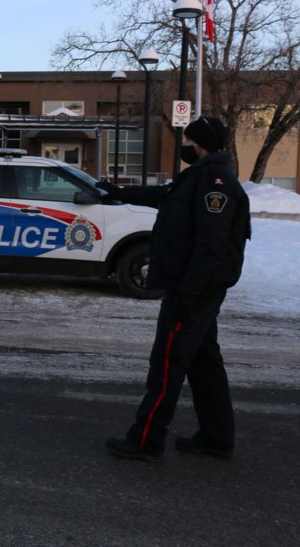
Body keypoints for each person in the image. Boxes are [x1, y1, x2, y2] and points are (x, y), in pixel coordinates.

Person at [101, 116, 252, 462]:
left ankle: (145, 441)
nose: (184, 145)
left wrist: (188, 294)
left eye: (188, 140)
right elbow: (165, 195)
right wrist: (118, 192)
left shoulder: (215, 182)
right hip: (198, 288)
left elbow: (211, 246)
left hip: (194, 290)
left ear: (199, 144)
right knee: (204, 362)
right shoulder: (199, 177)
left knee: (167, 363)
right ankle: (217, 436)